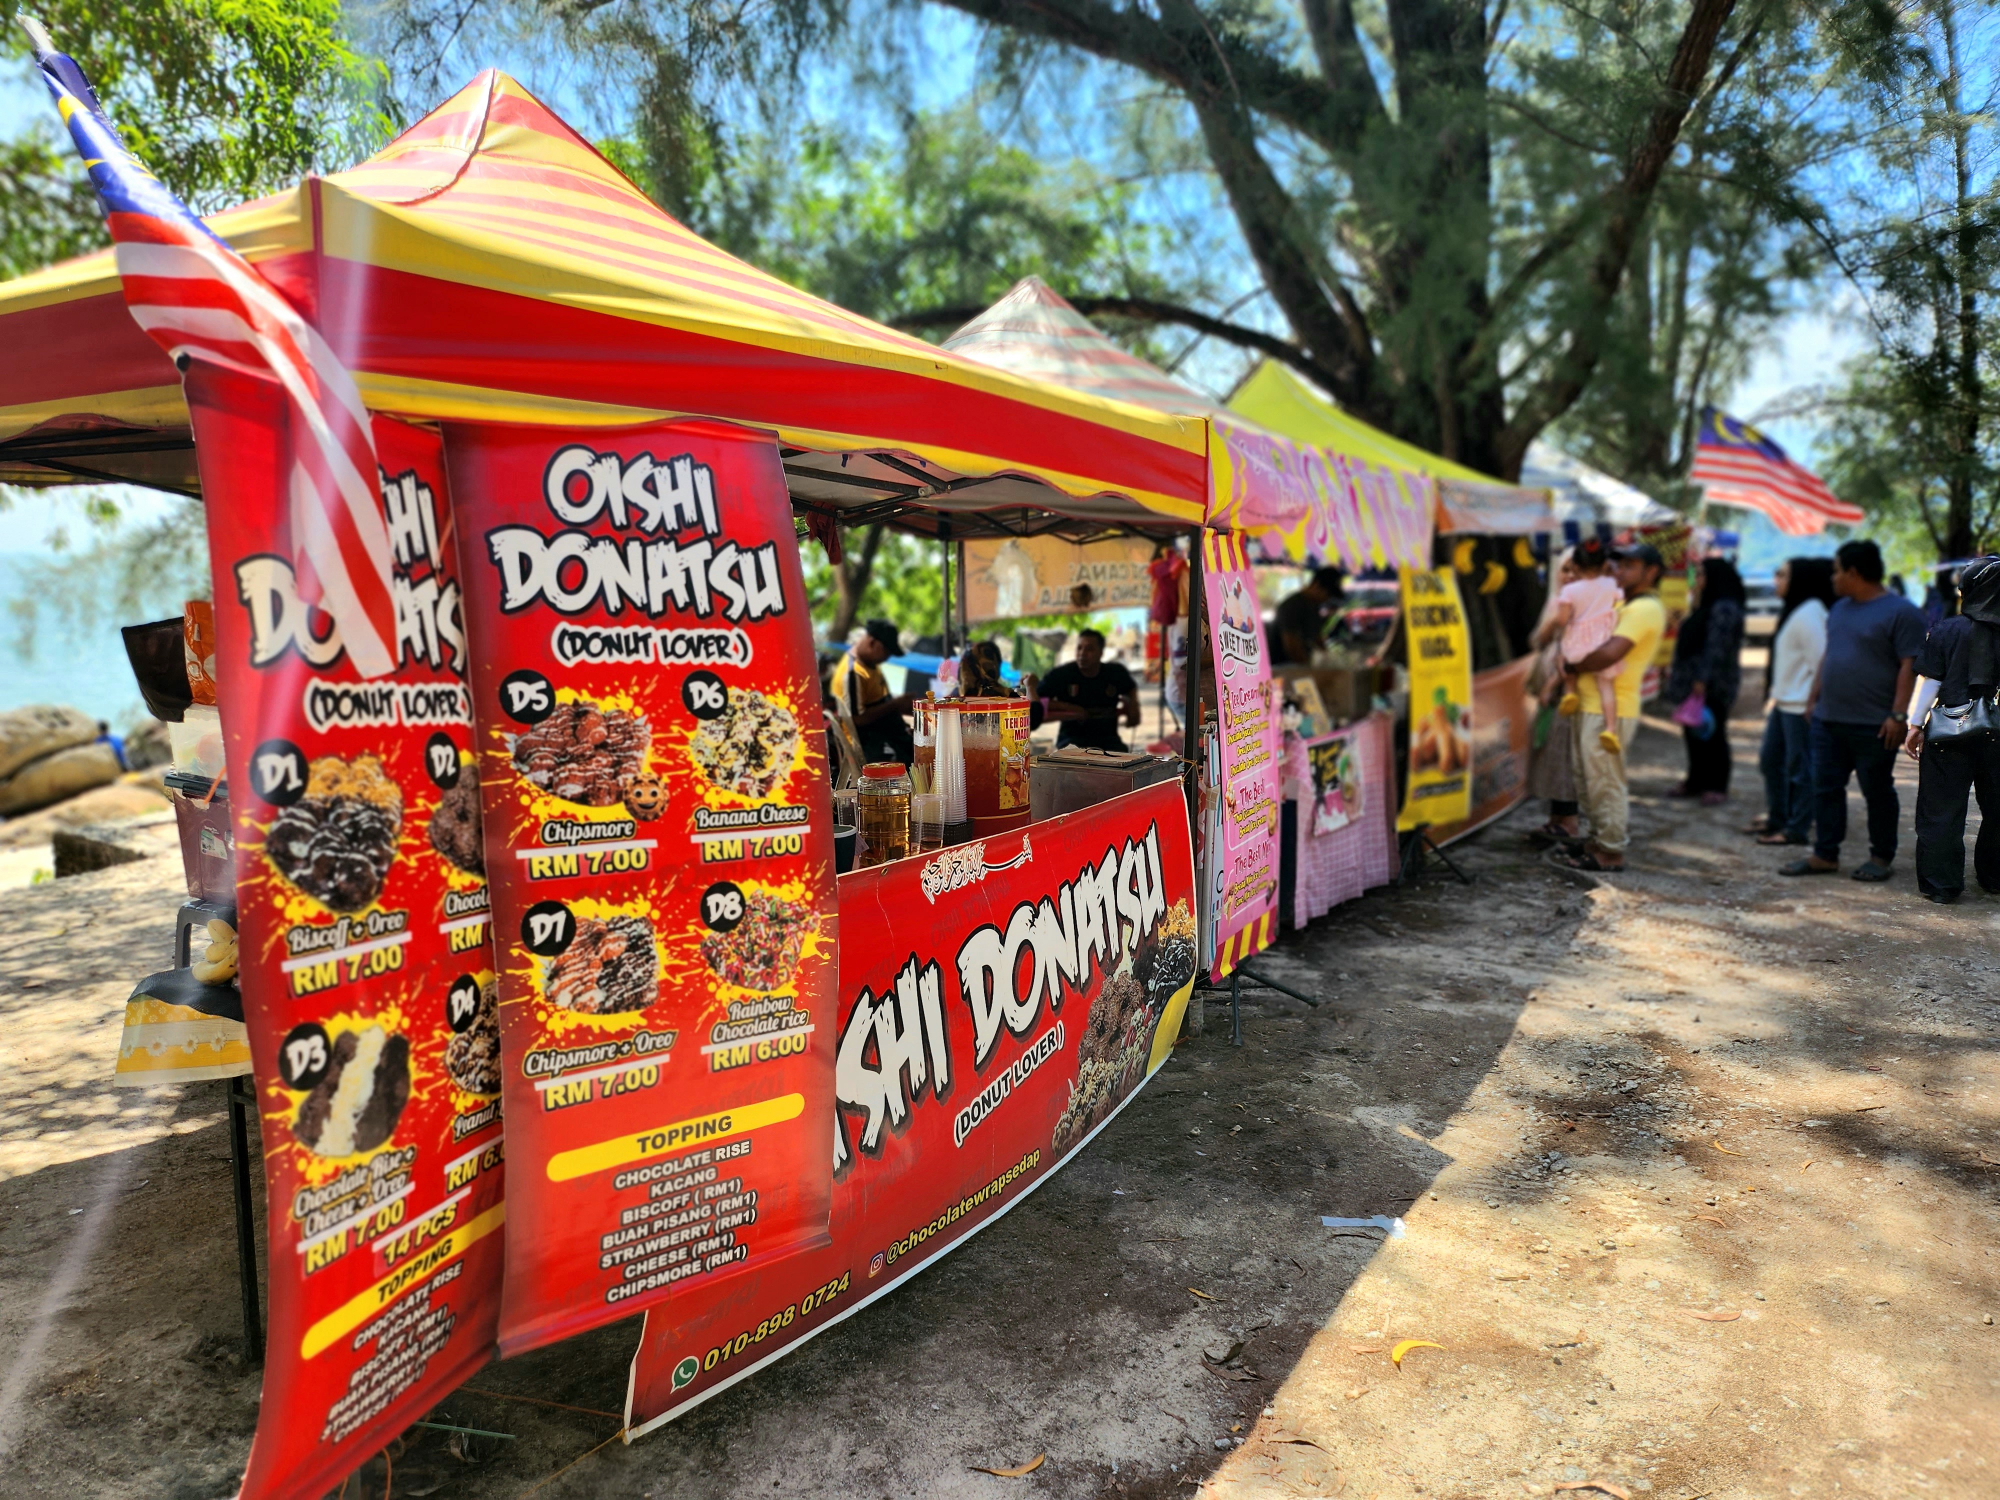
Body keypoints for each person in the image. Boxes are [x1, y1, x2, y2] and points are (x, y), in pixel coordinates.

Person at [1781, 539, 1926, 881]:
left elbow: (1910, 665)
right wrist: (1814, 698)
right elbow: (1828, 655)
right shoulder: (1841, 608)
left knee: (1876, 790)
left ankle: (1880, 857)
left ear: (1854, 572)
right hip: (1828, 719)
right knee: (1825, 787)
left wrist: (1898, 715)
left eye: (1836, 570)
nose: (1833, 578)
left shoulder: (1902, 612)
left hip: (1874, 724)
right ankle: (1825, 854)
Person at [1556, 543, 1669, 873]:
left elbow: (1608, 654)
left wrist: (1571, 666)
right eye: (1617, 564)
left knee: (1605, 781)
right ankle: (1596, 842)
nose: (1619, 571)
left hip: (1612, 709)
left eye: (1630, 565)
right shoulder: (1624, 603)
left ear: (1652, 572)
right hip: (1591, 705)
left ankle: (1610, 850)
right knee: (1589, 781)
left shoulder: (1644, 610)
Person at [1906, 556, 2000, 903]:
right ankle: (1994, 878)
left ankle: (1942, 885)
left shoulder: (1946, 630)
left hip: (1950, 734)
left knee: (1941, 810)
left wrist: (1914, 726)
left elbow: (1931, 683)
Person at [1753, 557, 1834, 846]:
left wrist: (1813, 702)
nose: (1777, 580)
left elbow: (1822, 662)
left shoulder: (1810, 614)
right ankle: (1779, 817)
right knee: (1771, 761)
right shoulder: (1797, 610)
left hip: (1799, 706)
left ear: (1800, 579)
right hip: (1784, 702)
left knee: (1800, 770)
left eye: (1783, 575)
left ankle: (1796, 828)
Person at [1665, 556, 1748, 806]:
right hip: (1694, 681)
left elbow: (1717, 648)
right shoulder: (1707, 605)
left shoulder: (1725, 608)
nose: (1698, 580)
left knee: (1713, 733)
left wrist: (1703, 678)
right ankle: (1696, 780)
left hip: (1713, 683)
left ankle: (1716, 784)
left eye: (1701, 575)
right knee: (1694, 732)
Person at [1536, 538, 1625, 752]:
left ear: (1576, 566)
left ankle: (1569, 691)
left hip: (1576, 644)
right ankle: (1611, 729)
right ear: (1604, 565)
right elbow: (1619, 604)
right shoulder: (1611, 585)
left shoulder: (1569, 592)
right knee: (1606, 687)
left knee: (1564, 660)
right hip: (1603, 643)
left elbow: (1563, 621)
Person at [1523, 548, 1582, 847]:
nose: (1570, 576)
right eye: (1565, 569)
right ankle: (1556, 820)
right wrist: (1553, 623)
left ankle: (1569, 822)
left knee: (1564, 753)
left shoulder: (1588, 607)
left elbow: (1578, 652)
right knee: (1550, 752)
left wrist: (1553, 684)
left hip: (1569, 691)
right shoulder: (1555, 603)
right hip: (1549, 691)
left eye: (1576, 570)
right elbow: (1536, 641)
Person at [828, 618, 915, 764]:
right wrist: (895, 705)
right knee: (908, 762)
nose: (887, 657)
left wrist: (902, 704)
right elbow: (857, 719)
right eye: (886, 651)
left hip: (885, 732)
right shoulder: (853, 673)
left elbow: (879, 701)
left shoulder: (870, 664)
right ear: (872, 643)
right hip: (868, 743)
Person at [1040, 627, 1142, 751]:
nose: (1082, 653)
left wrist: (1133, 707)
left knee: (1126, 762)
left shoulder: (1115, 673)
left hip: (1108, 741)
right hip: (1072, 741)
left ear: (1101, 653)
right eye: (1079, 648)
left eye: (1089, 649)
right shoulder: (1062, 674)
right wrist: (1071, 708)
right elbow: (1038, 700)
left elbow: (1131, 688)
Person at [1272, 567, 1345, 665]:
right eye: (1327, 594)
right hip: (1285, 667)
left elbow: (1317, 637)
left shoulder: (1313, 606)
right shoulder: (1292, 605)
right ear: (1316, 585)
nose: (1327, 599)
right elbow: (1291, 644)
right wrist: (1307, 668)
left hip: (1302, 665)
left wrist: (1329, 659)